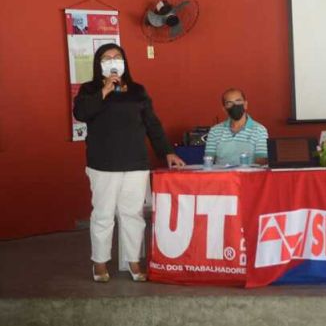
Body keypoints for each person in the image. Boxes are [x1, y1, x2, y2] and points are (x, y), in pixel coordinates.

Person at [73, 43, 185, 283]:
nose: (113, 61)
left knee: (132, 214)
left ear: (124, 61)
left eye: (117, 56)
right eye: (107, 58)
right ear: (99, 63)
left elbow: (152, 123)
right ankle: (100, 262)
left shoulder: (137, 90)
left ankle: (133, 260)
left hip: (135, 162)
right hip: (103, 164)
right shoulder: (89, 89)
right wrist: (104, 90)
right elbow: (81, 113)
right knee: (103, 214)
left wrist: (167, 151)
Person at [204, 88, 268, 166]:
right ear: (224, 109)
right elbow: (208, 160)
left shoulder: (260, 130)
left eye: (238, 101)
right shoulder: (215, 131)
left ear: (245, 105)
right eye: (229, 103)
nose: (235, 105)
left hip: (248, 173)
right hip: (222, 173)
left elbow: (261, 162)